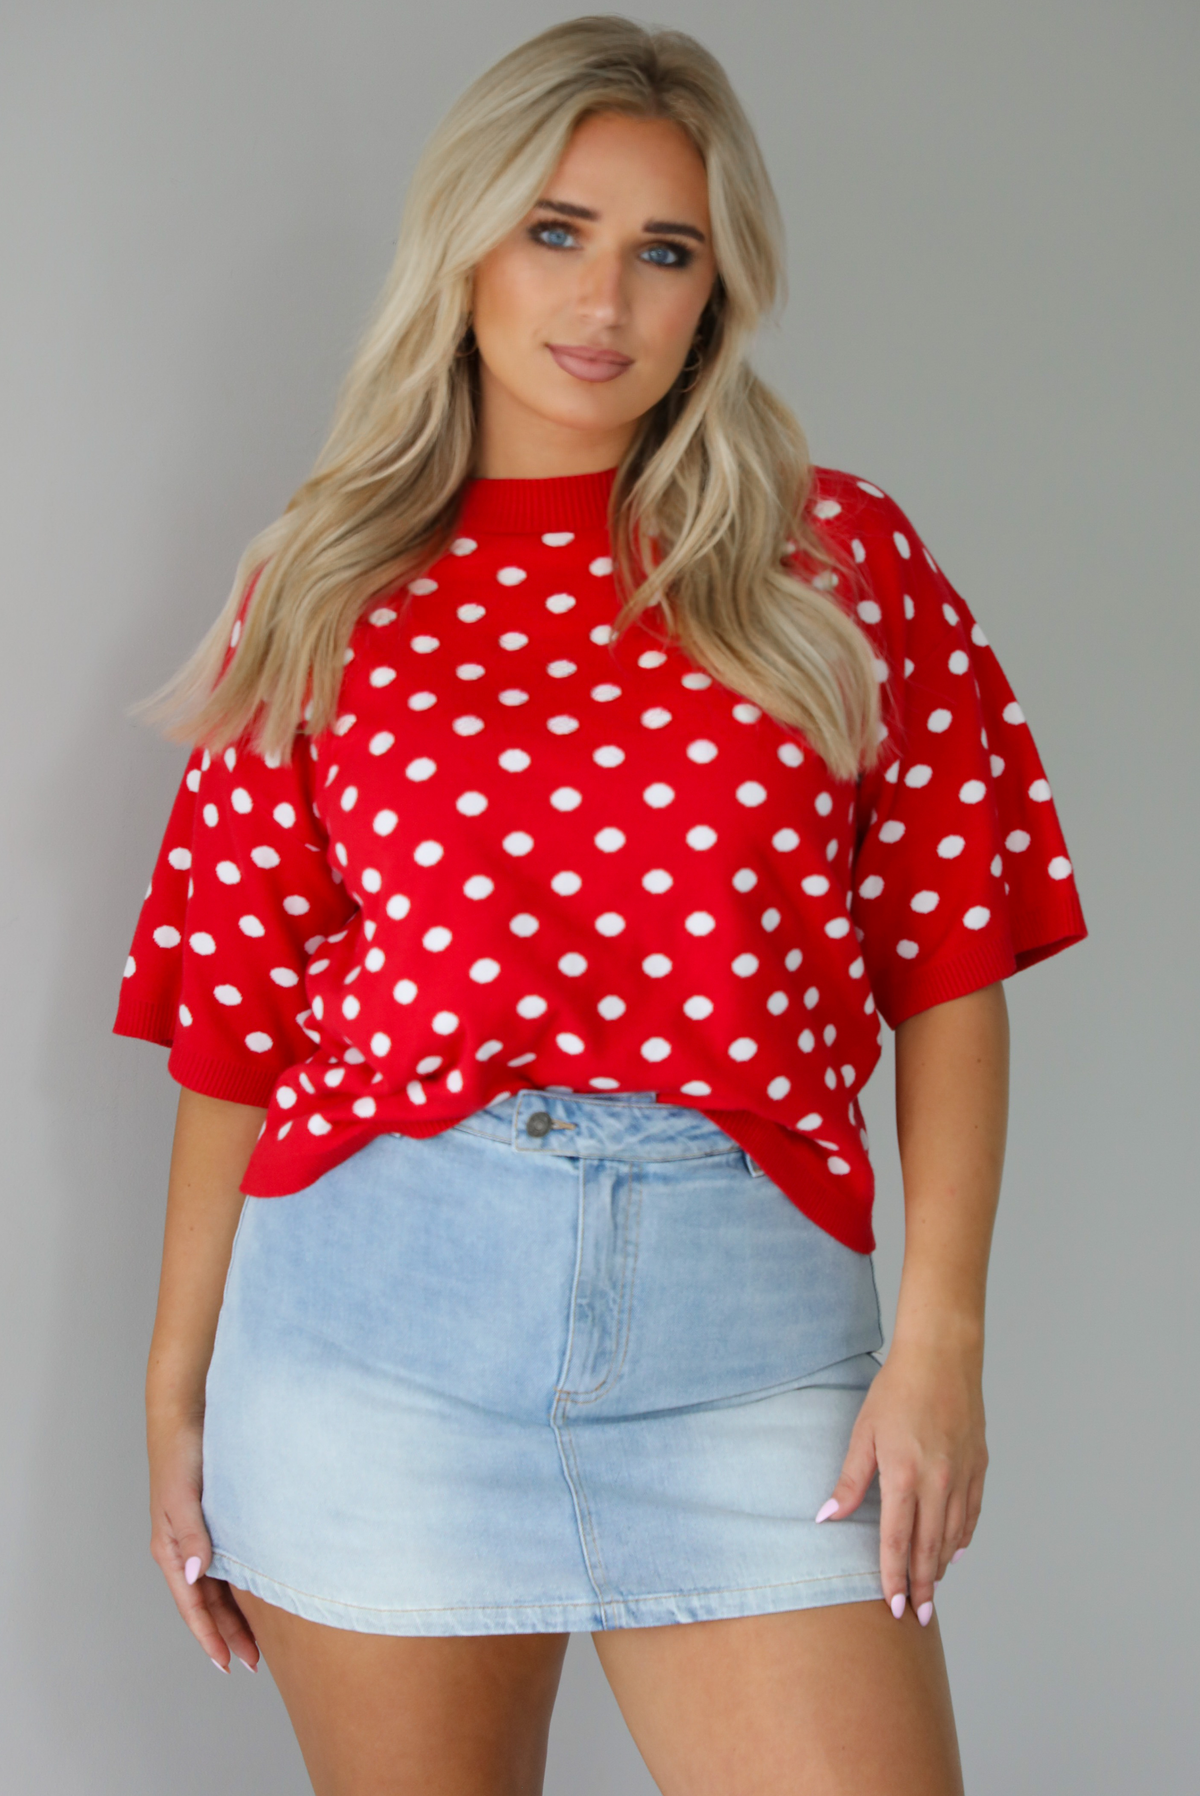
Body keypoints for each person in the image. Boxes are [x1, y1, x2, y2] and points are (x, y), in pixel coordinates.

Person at [113, 17, 1086, 1794]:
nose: (606, 299)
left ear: (717, 292)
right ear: (465, 242)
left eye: (667, 251)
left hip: (755, 1355)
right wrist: (174, 1392)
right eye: (556, 229)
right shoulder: (327, 584)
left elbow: (954, 959)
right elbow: (232, 1017)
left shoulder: (833, 558)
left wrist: (940, 1342)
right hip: (372, 1345)